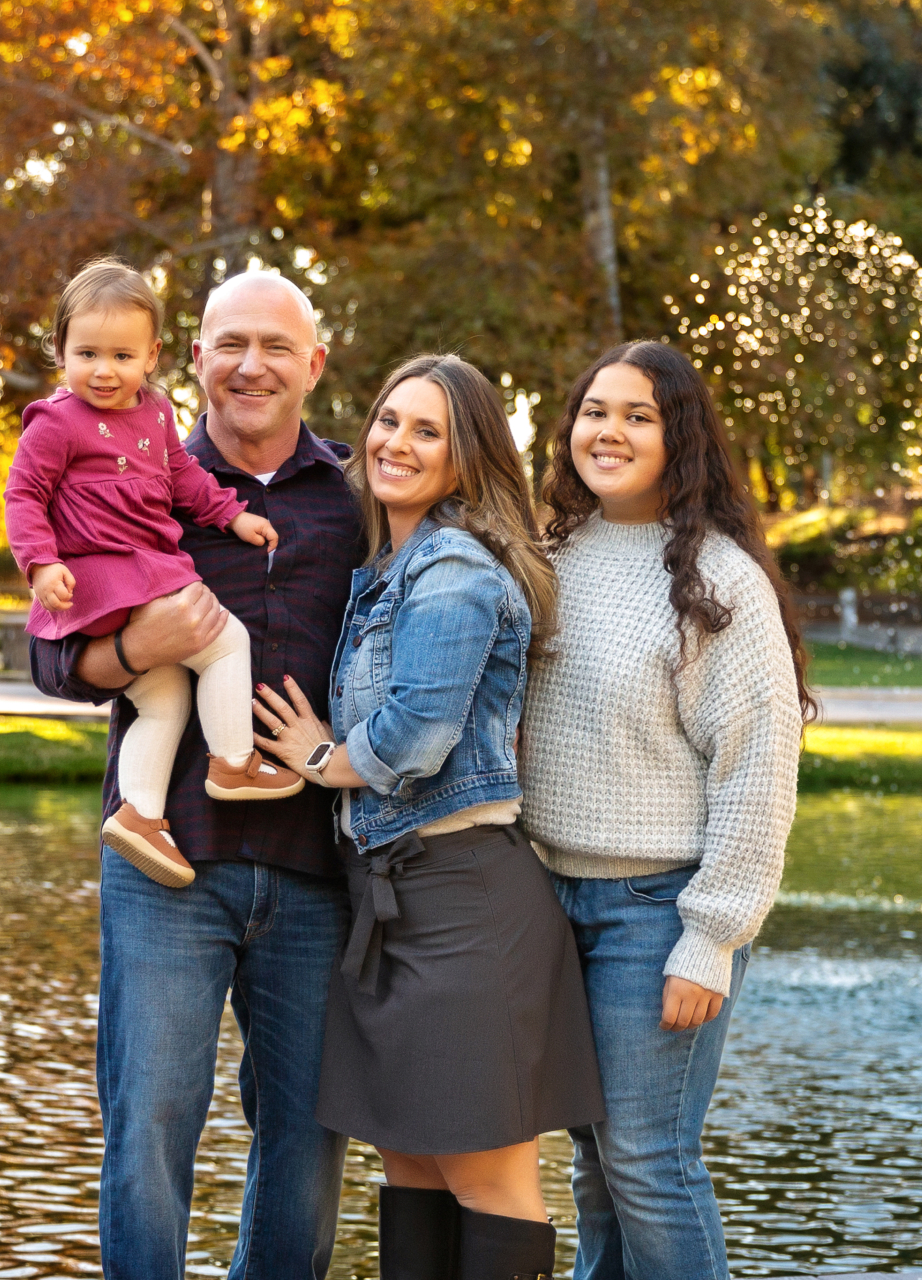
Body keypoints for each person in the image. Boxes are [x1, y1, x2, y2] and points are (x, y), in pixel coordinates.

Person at [29, 271, 362, 1279]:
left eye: (274, 345)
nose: (250, 364)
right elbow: (53, 656)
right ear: (198, 358)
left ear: (313, 363)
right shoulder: (122, 469)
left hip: (315, 864)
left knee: (306, 1134)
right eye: (230, 344)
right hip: (168, 859)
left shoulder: (357, 502)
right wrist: (140, 650)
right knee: (151, 1123)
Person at [252, 354, 604, 1280]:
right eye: (387, 421)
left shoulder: (451, 564)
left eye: (426, 430)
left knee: (487, 1176)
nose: (394, 443)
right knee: (409, 1161)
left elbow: (417, 733)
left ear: (466, 456)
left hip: (463, 904)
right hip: (388, 899)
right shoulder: (390, 568)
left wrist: (327, 761)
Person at [519, 340, 814, 1279]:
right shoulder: (546, 551)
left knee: (649, 1162)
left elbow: (758, 770)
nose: (607, 431)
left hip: (657, 911)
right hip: (548, 900)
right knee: (596, 1169)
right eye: (594, 411)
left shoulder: (721, 582)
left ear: (678, 436)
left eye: (636, 415)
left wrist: (712, 937)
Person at [6, 260, 306, 890]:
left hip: (140, 574)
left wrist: (234, 517)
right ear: (59, 350)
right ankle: (234, 761)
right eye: (86, 353)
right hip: (109, 573)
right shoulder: (55, 422)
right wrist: (40, 564)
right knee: (227, 641)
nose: (104, 370)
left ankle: (140, 813)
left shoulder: (154, 413)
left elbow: (185, 481)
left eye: (122, 355)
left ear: (153, 358)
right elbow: (24, 497)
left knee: (162, 696)